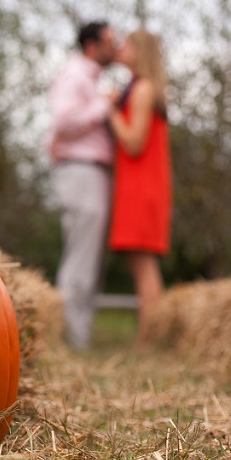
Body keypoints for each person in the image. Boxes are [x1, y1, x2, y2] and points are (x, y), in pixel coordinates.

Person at [47, 21, 118, 350]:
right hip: (80, 170)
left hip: (90, 172)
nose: (115, 47)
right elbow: (63, 123)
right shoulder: (75, 76)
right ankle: (72, 338)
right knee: (81, 255)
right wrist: (104, 105)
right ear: (92, 45)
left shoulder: (88, 79)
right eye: (110, 41)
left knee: (88, 255)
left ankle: (77, 334)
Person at [107, 30, 172, 347]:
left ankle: (149, 339)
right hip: (137, 185)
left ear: (141, 51)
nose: (122, 48)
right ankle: (148, 336)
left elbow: (134, 142)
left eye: (128, 44)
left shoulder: (143, 88)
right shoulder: (138, 88)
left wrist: (111, 113)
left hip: (143, 187)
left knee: (145, 266)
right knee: (140, 265)